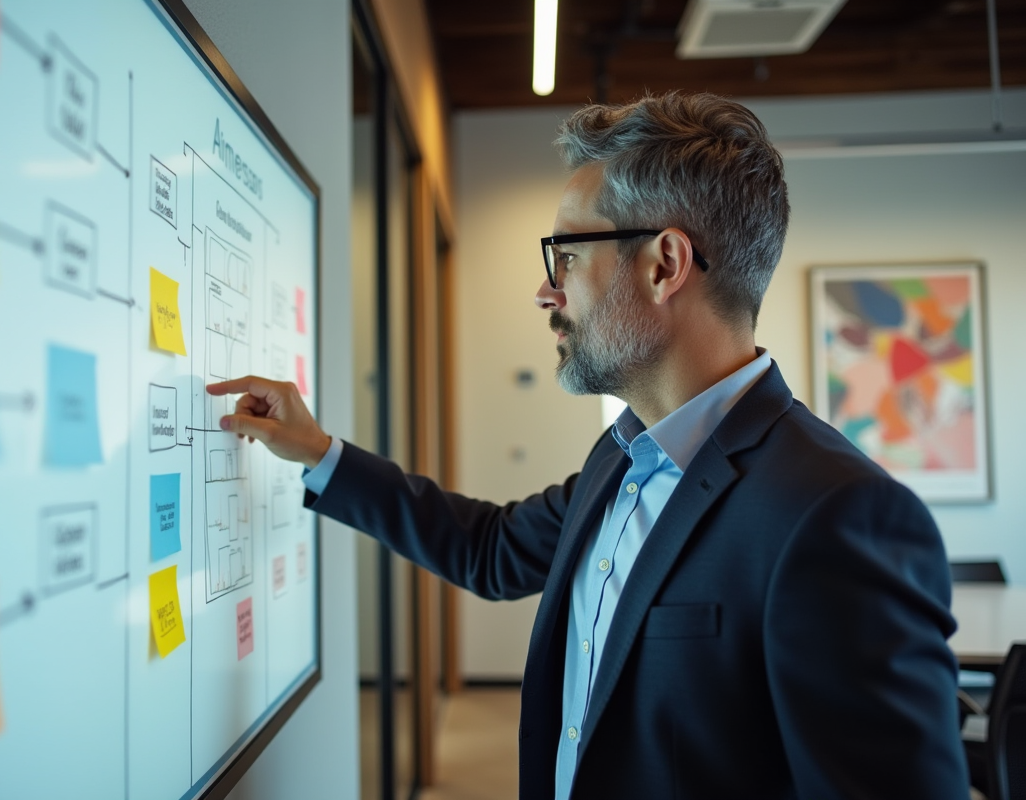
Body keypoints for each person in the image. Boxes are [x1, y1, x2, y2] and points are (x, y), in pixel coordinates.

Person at [207, 93, 968, 799]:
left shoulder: (836, 514)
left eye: (566, 255)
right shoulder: (623, 457)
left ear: (664, 265)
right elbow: (492, 549)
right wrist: (320, 452)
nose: (546, 290)